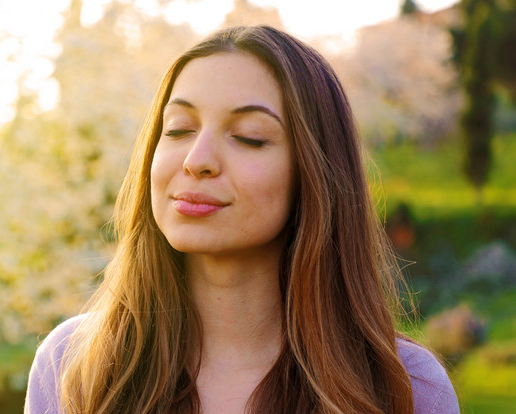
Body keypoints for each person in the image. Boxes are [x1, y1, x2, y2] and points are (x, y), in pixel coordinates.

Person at [24, 25, 460, 414]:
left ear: (315, 172)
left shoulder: (408, 388)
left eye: (249, 138)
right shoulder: (72, 365)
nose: (197, 161)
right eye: (177, 129)